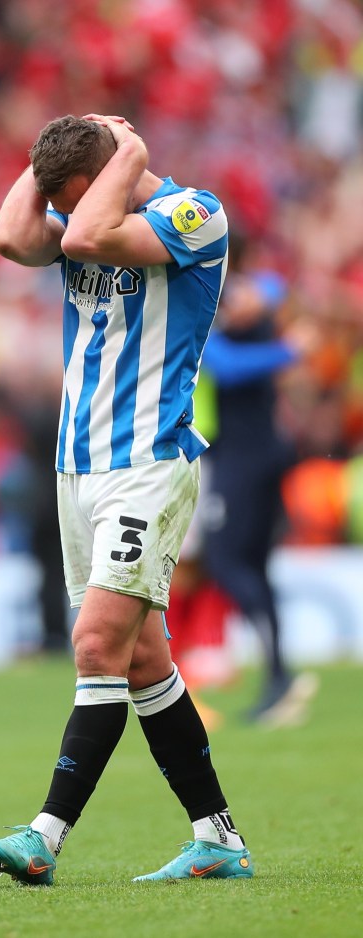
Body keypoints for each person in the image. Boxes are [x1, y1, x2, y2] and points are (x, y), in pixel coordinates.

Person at [0, 114, 252, 884]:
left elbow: (84, 239)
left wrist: (126, 148)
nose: (59, 211)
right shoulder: (87, 213)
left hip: (148, 463)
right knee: (139, 662)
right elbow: (8, 237)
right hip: (77, 467)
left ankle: (44, 836)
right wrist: (50, 169)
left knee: (96, 645)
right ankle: (219, 837)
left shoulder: (193, 215)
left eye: (70, 195)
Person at [199, 268, 319, 725]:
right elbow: (272, 287)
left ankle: (279, 673)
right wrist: (287, 348)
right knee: (253, 566)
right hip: (263, 452)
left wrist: (285, 343)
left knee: (225, 560)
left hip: (244, 459)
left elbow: (224, 367)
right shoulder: (247, 311)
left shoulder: (223, 310)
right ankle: (277, 676)